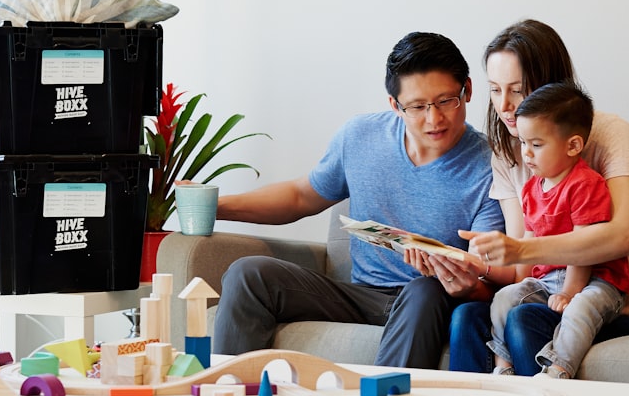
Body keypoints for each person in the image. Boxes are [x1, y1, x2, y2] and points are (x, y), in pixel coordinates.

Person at [212, 31, 505, 369]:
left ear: (467, 90)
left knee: (424, 289)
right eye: (417, 106)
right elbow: (300, 196)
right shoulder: (361, 137)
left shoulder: (492, 166)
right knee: (249, 274)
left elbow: (487, 279)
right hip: (361, 295)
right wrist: (213, 206)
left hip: (431, 299)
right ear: (395, 105)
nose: (434, 119)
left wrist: (468, 287)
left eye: (445, 101)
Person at [437, 19, 629, 376]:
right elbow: (522, 269)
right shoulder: (508, 153)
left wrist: (522, 250)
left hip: (622, 309)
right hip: (549, 294)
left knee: (524, 320)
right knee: (467, 316)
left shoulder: (607, 132)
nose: (505, 106)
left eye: (517, 89)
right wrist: (475, 270)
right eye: (495, 90)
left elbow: (622, 236)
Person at [487, 81, 629, 379]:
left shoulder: (585, 184)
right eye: (523, 143)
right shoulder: (530, 188)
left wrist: (569, 292)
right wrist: (516, 279)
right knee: (505, 298)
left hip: (595, 280)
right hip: (548, 279)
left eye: (536, 145)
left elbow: (582, 250)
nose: (527, 154)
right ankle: (504, 365)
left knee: (579, 308)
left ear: (573, 145)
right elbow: (529, 239)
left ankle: (560, 369)